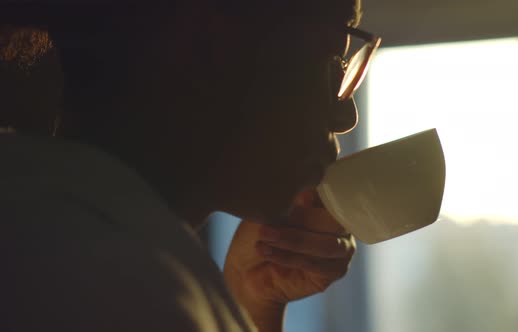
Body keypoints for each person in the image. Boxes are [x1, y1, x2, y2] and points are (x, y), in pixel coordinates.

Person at [0, 0, 380, 330]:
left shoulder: (58, 236)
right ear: (213, 45)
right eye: (331, 61)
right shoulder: (117, 290)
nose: (345, 116)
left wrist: (253, 299)